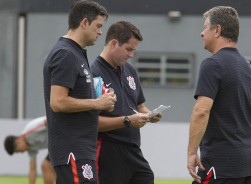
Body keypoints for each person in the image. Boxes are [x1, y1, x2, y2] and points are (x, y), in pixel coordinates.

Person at [187, 6, 251, 184]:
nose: (201, 33)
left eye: (205, 27)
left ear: (217, 30)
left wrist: (192, 153)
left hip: (220, 166)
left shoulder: (212, 64)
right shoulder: (246, 66)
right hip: (248, 163)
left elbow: (201, 111)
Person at [43, 1, 116, 183]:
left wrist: (100, 99)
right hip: (72, 150)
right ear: (84, 23)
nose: (100, 32)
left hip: (80, 149)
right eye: (98, 26)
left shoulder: (75, 53)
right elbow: (58, 102)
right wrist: (97, 103)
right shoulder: (65, 54)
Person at [90, 21, 162, 184]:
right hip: (108, 150)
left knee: (146, 177)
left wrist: (150, 115)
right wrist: (127, 121)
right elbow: (92, 122)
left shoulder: (129, 70)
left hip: (133, 148)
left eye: (133, 50)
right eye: (129, 49)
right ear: (114, 43)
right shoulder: (94, 74)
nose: (131, 55)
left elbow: (139, 106)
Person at [4, 116, 55, 184]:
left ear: (18, 142)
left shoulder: (30, 130)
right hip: (57, 144)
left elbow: (49, 119)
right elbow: (32, 168)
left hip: (62, 136)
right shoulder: (29, 148)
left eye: (19, 151)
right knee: (52, 168)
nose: (22, 152)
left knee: (46, 165)